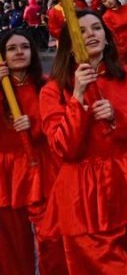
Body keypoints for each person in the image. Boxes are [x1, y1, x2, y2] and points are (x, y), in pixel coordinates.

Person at [41, 11, 127, 273]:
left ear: (107, 39)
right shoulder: (53, 90)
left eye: (96, 28)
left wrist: (119, 118)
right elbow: (64, 149)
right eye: (81, 31)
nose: (90, 34)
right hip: (81, 196)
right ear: (69, 45)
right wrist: (77, 98)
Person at [0, 29, 66, 274]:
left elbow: (59, 121)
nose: (19, 52)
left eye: (24, 47)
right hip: (6, 174)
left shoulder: (48, 84)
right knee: (10, 246)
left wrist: (34, 123)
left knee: (53, 238)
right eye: (12, 48)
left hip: (42, 166)